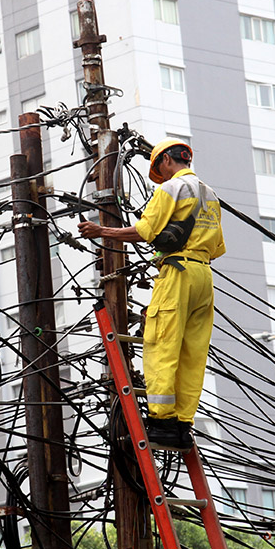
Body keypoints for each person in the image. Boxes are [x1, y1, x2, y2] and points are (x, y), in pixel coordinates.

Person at [78, 138, 225, 450]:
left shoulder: (171, 188)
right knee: (192, 352)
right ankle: (183, 425)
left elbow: (144, 232)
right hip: (204, 277)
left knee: (161, 343)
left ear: (165, 162)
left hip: (179, 273)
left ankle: (161, 422)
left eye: (159, 169)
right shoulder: (209, 194)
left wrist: (101, 231)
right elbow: (217, 249)